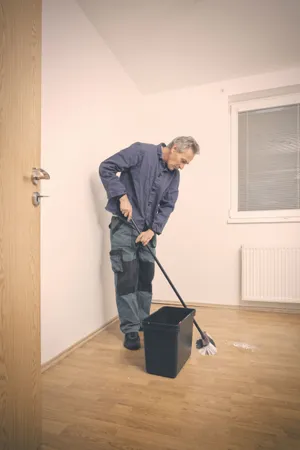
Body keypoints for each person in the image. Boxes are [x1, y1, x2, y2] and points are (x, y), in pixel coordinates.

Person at [99, 136, 199, 350]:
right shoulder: (140, 152)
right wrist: (121, 196)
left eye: (185, 164)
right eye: (182, 160)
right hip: (125, 228)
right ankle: (131, 329)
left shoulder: (173, 176)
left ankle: (144, 321)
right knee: (127, 279)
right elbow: (106, 167)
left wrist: (153, 230)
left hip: (148, 234)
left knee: (145, 279)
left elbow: (167, 204)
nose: (182, 166)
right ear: (173, 148)